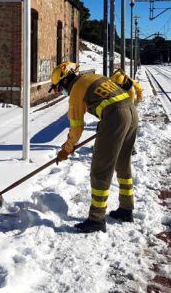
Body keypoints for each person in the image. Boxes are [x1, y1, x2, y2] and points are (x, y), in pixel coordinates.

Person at [49, 62, 139, 233]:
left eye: (59, 88)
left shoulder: (75, 91)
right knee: (122, 162)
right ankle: (126, 209)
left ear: (65, 81)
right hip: (131, 111)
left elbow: (76, 128)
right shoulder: (92, 77)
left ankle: (96, 219)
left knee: (100, 169)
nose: (61, 92)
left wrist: (66, 149)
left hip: (115, 116)